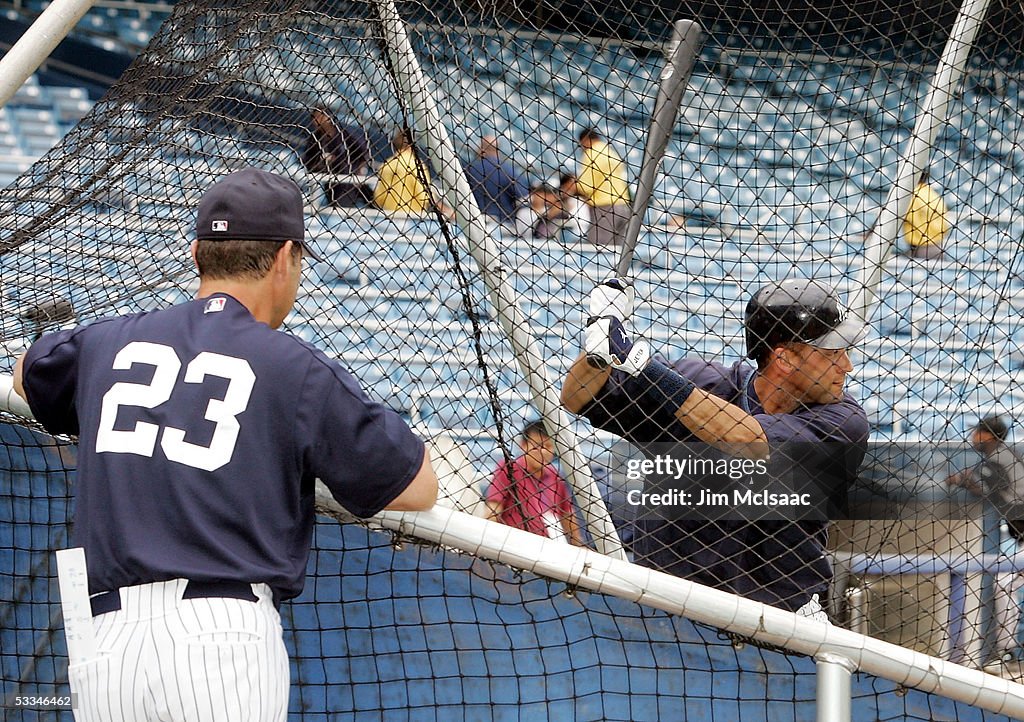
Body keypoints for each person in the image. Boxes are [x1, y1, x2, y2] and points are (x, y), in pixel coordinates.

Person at [12, 168, 439, 721]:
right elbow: (417, 485)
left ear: (195, 254)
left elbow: (28, 372)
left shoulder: (108, 340)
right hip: (221, 634)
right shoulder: (295, 367)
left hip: (105, 641)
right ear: (286, 257)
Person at [561, 278, 869, 618]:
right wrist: (598, 347)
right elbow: (578, 398)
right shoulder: (706, 381)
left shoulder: (844, 420)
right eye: (832, 355)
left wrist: (645, 369)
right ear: (785, 358)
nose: (847, 366)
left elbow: (748, 441)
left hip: (778, 618)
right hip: (667, 603)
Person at [946, 416, 1024, 665]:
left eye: (978, 432)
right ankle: (1007, 651)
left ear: (989, 436)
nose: (974, 437)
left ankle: (1007, 652)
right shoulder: (1005, 455)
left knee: (1004, 583)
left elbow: (989, 486)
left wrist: (961, 480)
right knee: (1005, 583)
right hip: (1021, 538)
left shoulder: (999, 457)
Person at [486, 420, 583, 546]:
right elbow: (494, 509)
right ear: (523, 445)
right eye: (536, 446)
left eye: (548, 446)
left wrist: (578, 545)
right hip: (515, 545)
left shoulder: (555, 476)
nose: (543, 452)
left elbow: (567, 515)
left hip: (552, 546)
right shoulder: (508, 469)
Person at [300, 107, 372, 207]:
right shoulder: (315, 138)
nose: (317, 121)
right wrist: (322, 163)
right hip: (329, 181)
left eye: (320, 117)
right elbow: (308, 160)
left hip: (350, 179)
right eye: (314, 118)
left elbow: (363, 152)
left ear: (328, 117)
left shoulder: (346, 134)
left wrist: (361, 172)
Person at [575, 128, 631, 246]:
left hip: (605, 208)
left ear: (585, 140)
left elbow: (586, 187)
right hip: (623, 205)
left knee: (599, 251)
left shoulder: (592, 153)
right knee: (618, 251)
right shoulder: (611, 152)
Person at [464, 135, 528, 225]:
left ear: (481, 149)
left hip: (474, 221)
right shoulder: (508, 169)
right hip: (503, 224)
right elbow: (523, 199)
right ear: (498, 150)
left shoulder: (470, 169)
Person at [373, 128, 434, 214]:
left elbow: (378, 198)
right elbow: (424, 196)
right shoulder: (416, 165)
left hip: (389, 219)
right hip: (413, 219)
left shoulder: (387, 165)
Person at [903, 169, 950, 259]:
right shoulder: (932, 194)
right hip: (938, 247)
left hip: (921, 250)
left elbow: (894, 217)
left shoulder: (912, 195)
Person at [555, 172, 590, 239]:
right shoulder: (560, 196)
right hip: (567, 231)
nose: (576, 183)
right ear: (565, 183)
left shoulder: (582, 197)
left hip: (584, 231)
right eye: (572, 181)